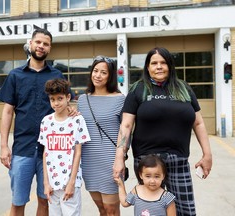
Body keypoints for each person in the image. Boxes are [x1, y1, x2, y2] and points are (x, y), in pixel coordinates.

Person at [113, 47, 212, 216]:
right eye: (154, 63)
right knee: (151, 211)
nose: (159, 66)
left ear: (170, 66)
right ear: (147, 67)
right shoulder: (138, 89)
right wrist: (119, 158)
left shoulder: (184, 89)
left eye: (163, 62)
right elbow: (126, 126)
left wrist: (207, 154)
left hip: (178, 159)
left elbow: (199, 122)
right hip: (147, 161)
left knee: (185, 211)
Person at [0, 28, 76, 216]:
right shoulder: (15, 75)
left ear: (49, 48)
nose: (41, 46)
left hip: (50, 151)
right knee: (18, 201)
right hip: (22, 149)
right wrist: (3, 146)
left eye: (46, 44)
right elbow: (8, 111)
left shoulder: (56, 74)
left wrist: (71, 108)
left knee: (44, 199)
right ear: (30, 44)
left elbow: (67, 103)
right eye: (38, 42)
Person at [77, 56, 125, 216]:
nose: (98, 75)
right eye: (95, 71)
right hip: (89, 162)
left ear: (110, 76)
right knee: (102, 210)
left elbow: (125, 131)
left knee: (111, 210)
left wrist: (121, 156)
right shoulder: (83, 100)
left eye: (103, 72)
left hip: (111, 162)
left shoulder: (120, 99)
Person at [38, 78, 91, 216]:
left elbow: (78, 153)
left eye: (60, 98)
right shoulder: (46, 122)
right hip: (52, 184)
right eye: (52, 99)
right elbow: (45, 153)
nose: (56, 103)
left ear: (68, 97)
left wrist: (72, 183)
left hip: (70, 182)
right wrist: (46, 183)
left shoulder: (77, 120)